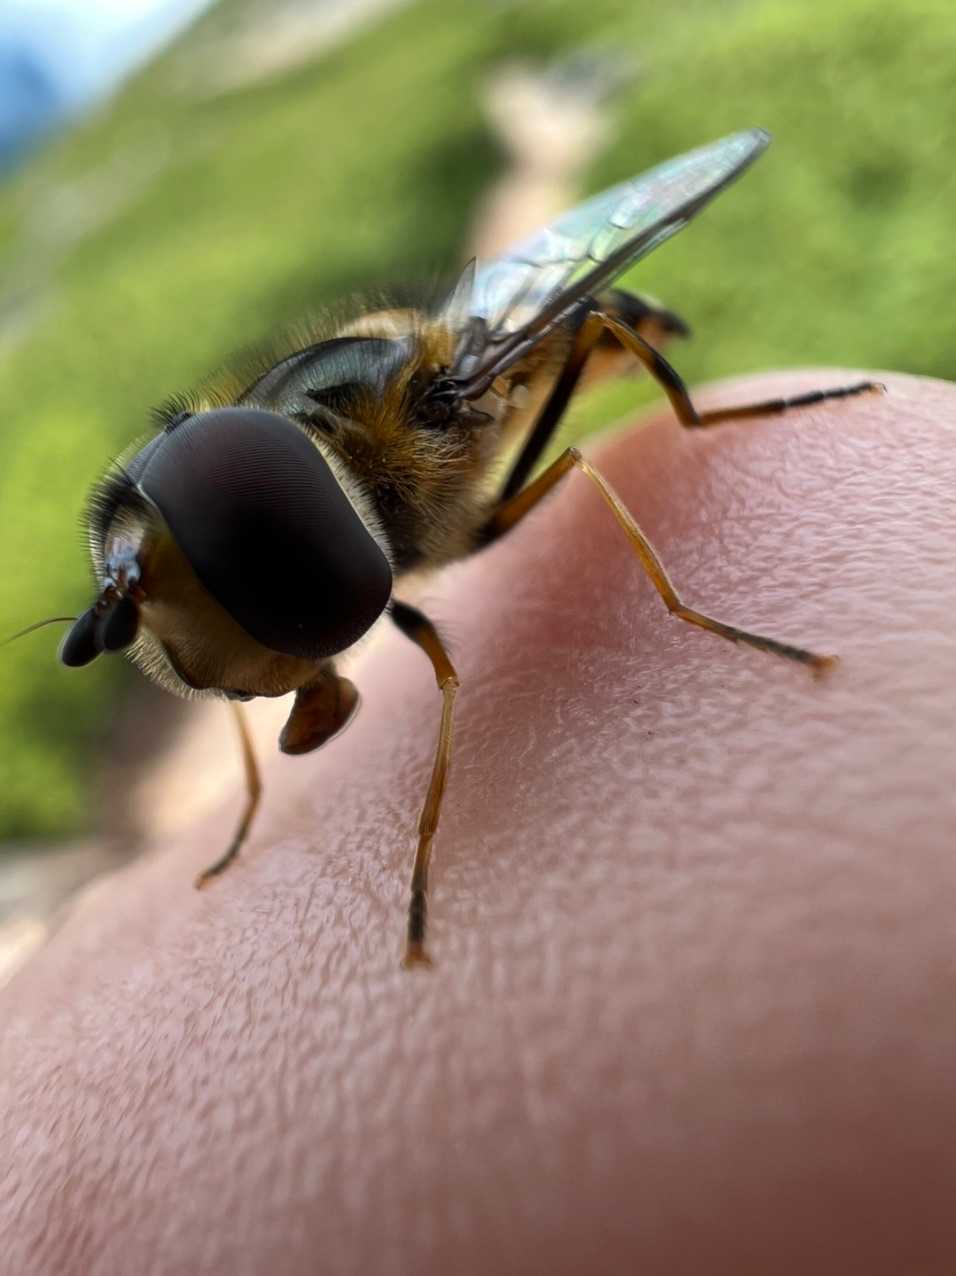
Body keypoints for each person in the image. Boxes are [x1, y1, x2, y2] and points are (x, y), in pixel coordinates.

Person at [2, 371, 954, 1275]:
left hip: (500, 378)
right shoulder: (311, 476)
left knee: (567, 458)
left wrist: (423, 856)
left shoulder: (418, 424)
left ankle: (688, 609)